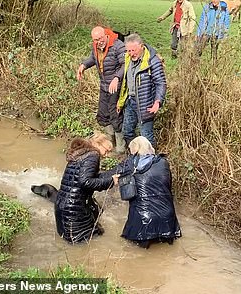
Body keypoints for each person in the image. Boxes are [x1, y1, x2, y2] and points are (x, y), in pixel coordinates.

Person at [32, 133, 119, 244]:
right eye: (107, 150)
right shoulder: (93, 155)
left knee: (73, 241)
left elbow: (84, 178)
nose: (107, 155)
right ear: (98, 144)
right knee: (89, 241)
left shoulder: (82, 153)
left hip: (62, 205)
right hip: (73, 210)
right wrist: (111, 181)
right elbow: (85, 182)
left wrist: (109, 177)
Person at [113, 136, 182, 249]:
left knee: (135, 251)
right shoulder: (164, 162)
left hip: (142, 221)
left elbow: (113, 175)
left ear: (134, 151)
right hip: (167, 219)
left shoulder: (130, 163)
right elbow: (168, 185)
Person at [77, 26, 126, 154]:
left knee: (115, 115)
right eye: (95, 40)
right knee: (103, 115)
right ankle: (109, 142)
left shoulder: (117, 45)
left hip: (116, 87)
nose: (99, 42)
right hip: (104, 86)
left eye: (100, 38)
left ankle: (121, 147)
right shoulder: (96, 47)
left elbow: (126, 63)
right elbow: (93, 59)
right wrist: (83, 65)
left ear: (106, 35)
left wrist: (117, 77)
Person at [117, 33, 166, 148]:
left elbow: (161, 83)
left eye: (133, 50)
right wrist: (121, 102)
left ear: (142, 46)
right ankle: (135, 155)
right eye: (128, 51)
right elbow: (125, 82)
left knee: (146, 137)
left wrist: (157, 102)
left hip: (146, 104)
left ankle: (151, 161)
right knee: (127, 132)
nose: (131, 54)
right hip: (130, 101)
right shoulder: (128, 58)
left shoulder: (152, 61)